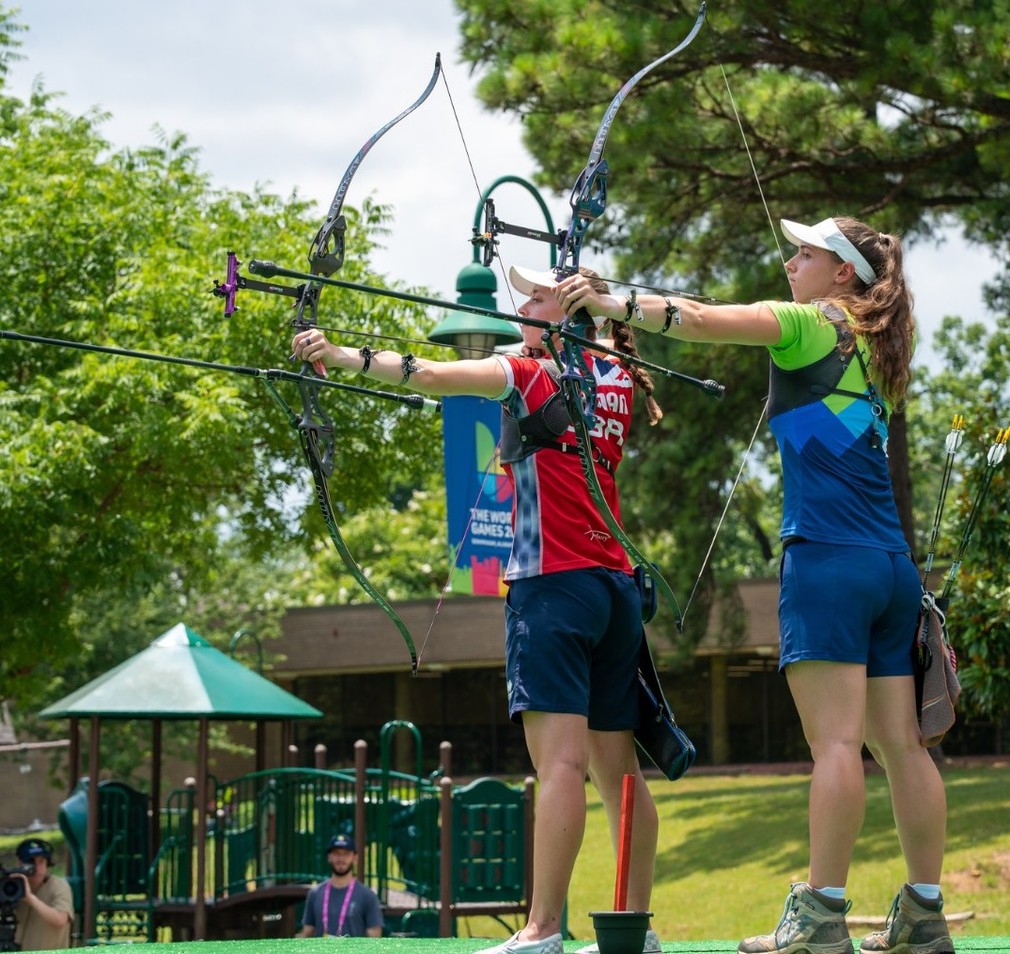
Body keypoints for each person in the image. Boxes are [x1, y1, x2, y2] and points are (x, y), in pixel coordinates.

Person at [554, 217, 953, 954]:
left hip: (828, 566)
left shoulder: (807, 324)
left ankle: (822, 915)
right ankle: (924, 916)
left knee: (835, 744)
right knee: (902, 746)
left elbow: (702, 319)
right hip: (892, 569)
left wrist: (610, 305)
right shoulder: (881, 344)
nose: (789, 260)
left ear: (842, 274)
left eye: (806, 253)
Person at [291, 265, 664, 954]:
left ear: (567, 311)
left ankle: (543, 930)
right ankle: (633, 933)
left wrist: (335, 355)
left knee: (559, 765)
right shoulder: (617, 378)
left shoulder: (529, 373)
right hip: (612, 588)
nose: (521, 306)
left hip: (550, 585)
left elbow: (430, 375)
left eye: (536, 297)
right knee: (622, 774)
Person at [296, 834, 383, 938]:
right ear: (329, 857)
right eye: (336, 853)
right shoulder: (315, 893)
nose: (341, 858)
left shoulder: (368, 896)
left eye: (346, 854)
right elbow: (306, 932)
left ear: (355, 858)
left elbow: (375, 938)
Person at [10, 837, 74, 951]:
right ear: (20, 863)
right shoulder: (13, 886)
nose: (37, 868)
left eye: (41, 862)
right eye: (31, 862)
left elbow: (60, 920)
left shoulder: (59, 886)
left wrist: (30, 898)